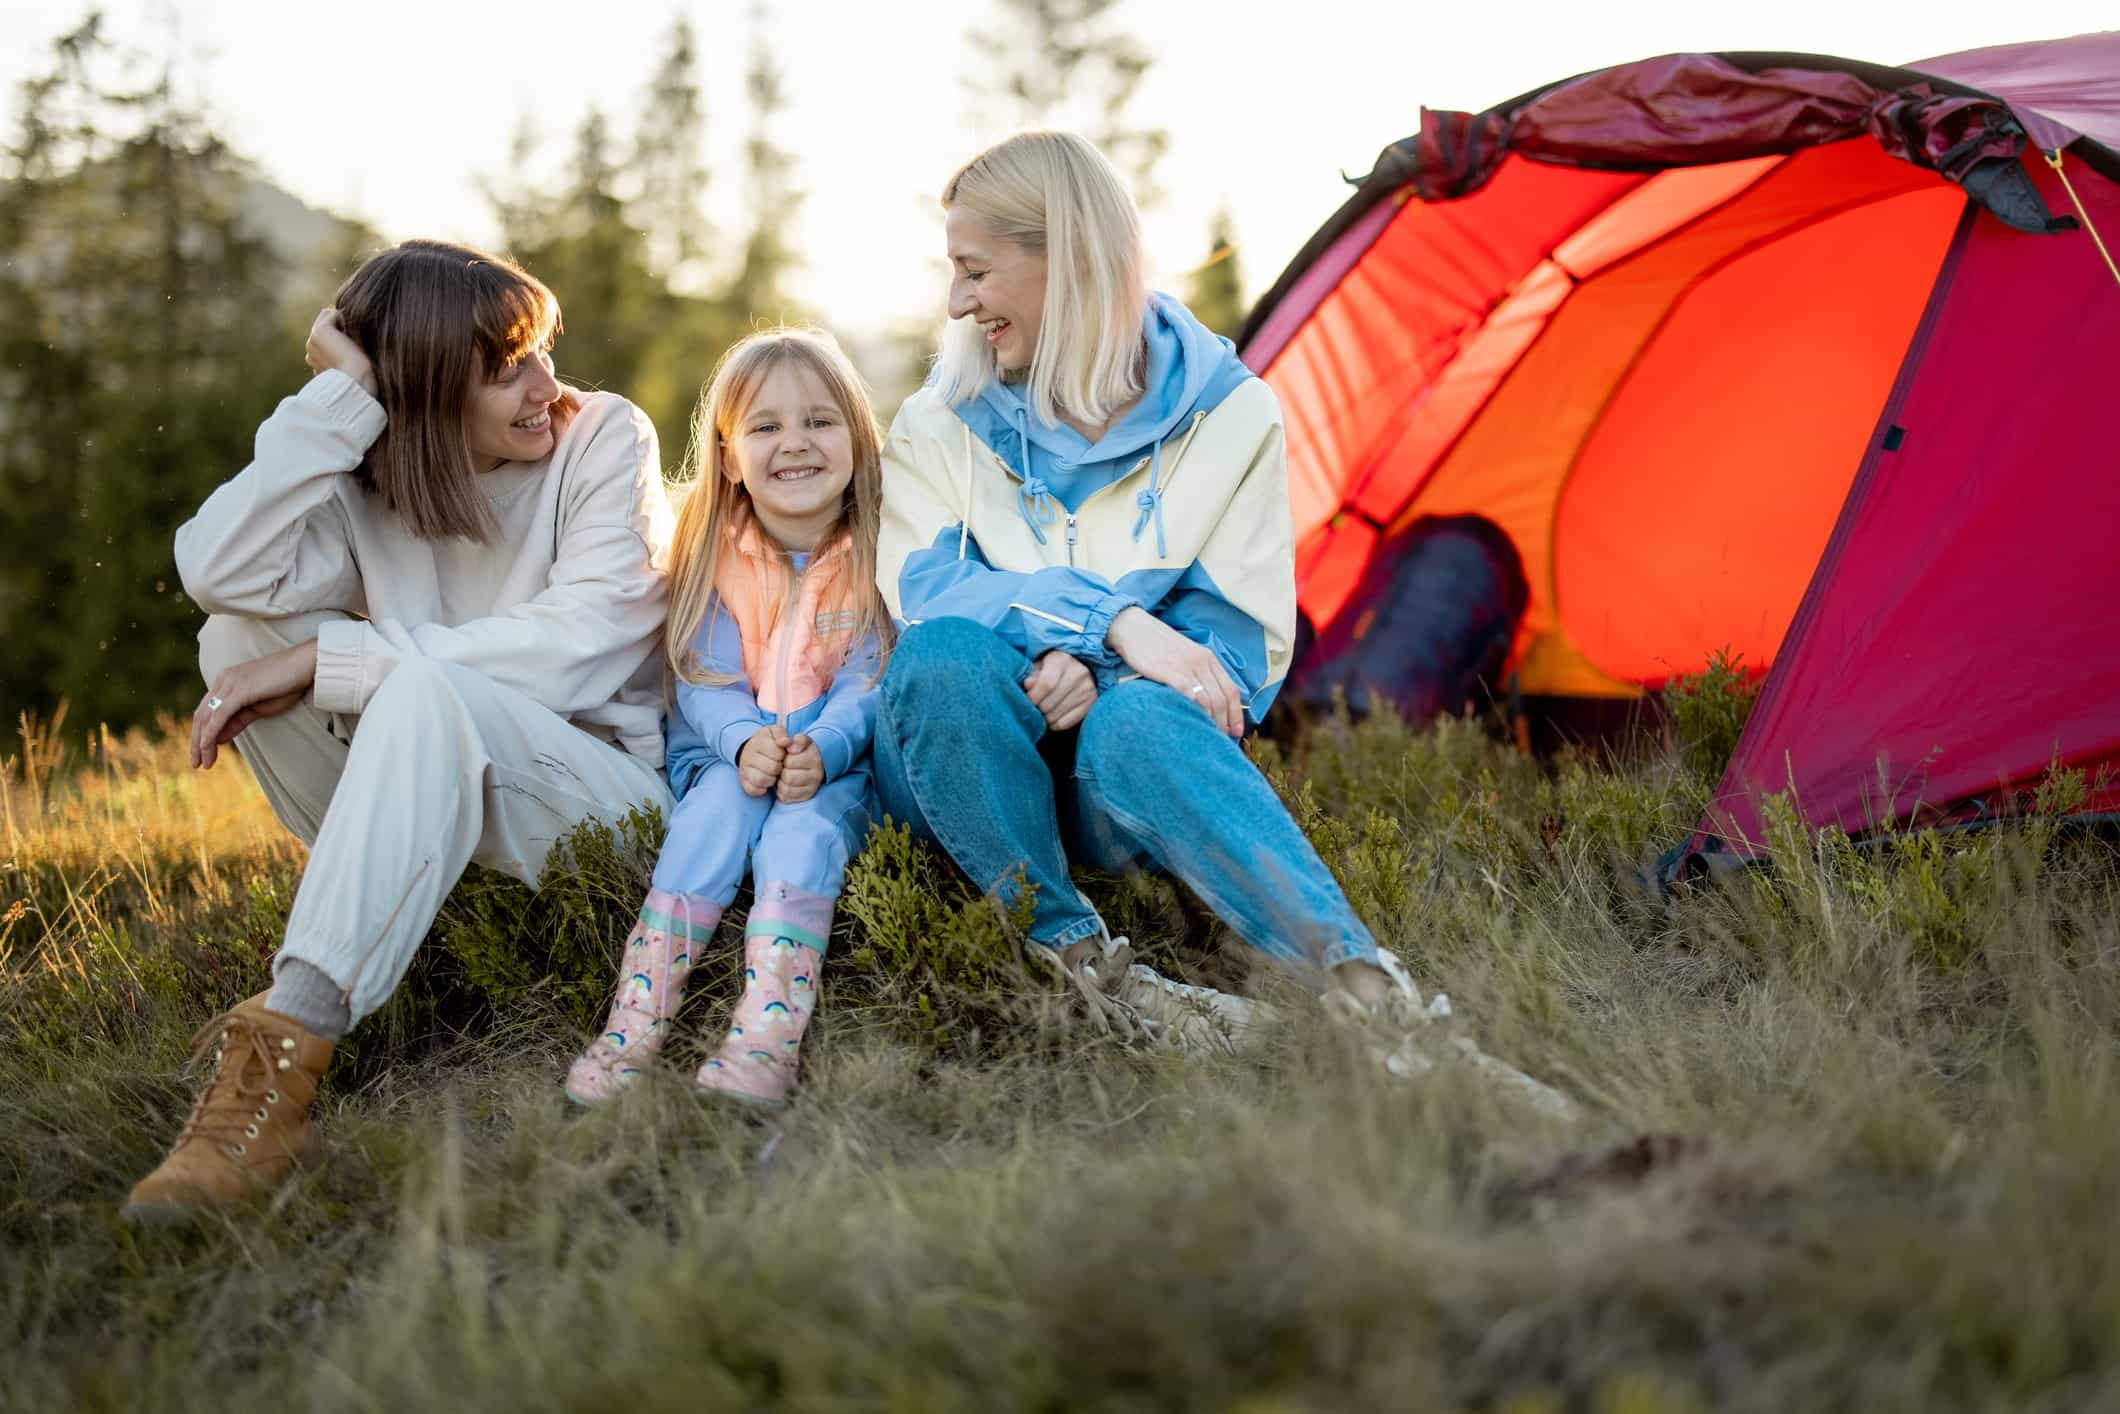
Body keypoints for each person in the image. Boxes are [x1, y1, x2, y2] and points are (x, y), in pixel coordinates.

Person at [124, 240, 676, 1220]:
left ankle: (284, 1053)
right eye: (508, 368)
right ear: (420, 390)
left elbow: (581, 644)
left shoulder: (602, 440)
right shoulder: (366, 480)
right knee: (237, 634)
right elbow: (218, 568)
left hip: (610, 811)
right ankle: (397, 924)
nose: (549, 384)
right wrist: (342, 397)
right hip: (448, 802)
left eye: (545, 349)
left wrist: (334, 662)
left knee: (417, 687)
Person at [875, 130, 1429, 1052]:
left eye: (976, 271)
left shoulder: (1233, 417)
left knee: (1143, 715)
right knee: (944, 658)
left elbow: (1229, 661)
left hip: (1114, 782)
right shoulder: (939, 421)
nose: (957, 301)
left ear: (1068, 256)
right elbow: (924, 589)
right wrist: (1109, 626)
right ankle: (1080, 962)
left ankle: (1371, 996)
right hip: (955, 764)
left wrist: (1103, 677)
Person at [565, 329, 889, 1111]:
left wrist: (829, 744)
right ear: (726, 454)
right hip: (722, 754)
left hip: (836, 762)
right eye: (765, 427)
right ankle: (635, 1023)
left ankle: (765, 1036)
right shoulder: (715, 554)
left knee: (800, 832)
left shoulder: (880, 551)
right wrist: (743, 742)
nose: (795, 444)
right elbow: (704, 676)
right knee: (715, 815)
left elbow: (872, 674)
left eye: (820, 420)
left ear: (857, 436)